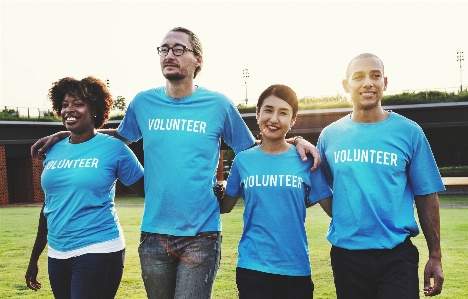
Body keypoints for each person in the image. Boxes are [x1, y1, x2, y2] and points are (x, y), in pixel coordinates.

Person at [30, 27, 321, 299]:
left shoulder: (218, 105)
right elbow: (119, 136)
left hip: (201, 235)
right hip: (154, 235)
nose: (169, 55)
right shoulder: (143, 102)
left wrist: (295, 141)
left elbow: (255, 150)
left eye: (179, 49)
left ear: (198, 60)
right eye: (164, 49)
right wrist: (63, 133)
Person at [317, 53, 445, 298]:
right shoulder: (330, 136)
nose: (368, 83)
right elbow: (321, 186)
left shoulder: (409, 132)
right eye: (358, 77)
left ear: (385, 83)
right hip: (347, 257)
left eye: (375, 76)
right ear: (346, 85)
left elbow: (427, 195)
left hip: (396, 256)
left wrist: (435, 256)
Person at [25, 76, 145, 299]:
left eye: (78, 103)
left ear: (96, 109)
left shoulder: (114, 149)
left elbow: (148, 190)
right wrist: (34, 258)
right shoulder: (53, 149)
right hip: (58, 253)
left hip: (99, 249)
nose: (69, 109)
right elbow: (48, 207)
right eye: (64, 104)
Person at [219, 84, 332, 299]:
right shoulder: (243, 160)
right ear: (258, 113)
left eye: (283, 113)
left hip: (295, 268)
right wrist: (214, 188)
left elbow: (334, 210)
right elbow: (225, 206)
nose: (274, 119)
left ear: (293, 120)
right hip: (252, 267)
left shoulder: (306, 161)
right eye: (268, 110)